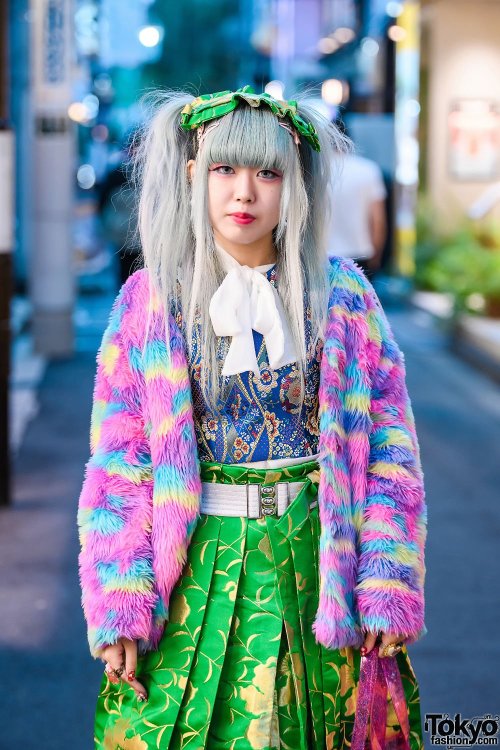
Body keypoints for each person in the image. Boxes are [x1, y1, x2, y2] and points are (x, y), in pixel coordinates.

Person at [77, 86, 427, 750]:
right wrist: (119, 602)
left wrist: (389, 579)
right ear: (193, 176)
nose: (245, 192)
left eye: (267, 172)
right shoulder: (150, 303)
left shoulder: (344, 296)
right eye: (225, 170)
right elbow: (120, 463)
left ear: (293, 184)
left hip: (321, 565)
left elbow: (390, 451)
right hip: (196, 569)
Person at [327, 124, 388, 280]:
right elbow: (378, 219)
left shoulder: (315, 171)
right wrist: (377, 255)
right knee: (361, 304)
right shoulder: (368, 170)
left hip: (322, 256)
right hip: (361, 255)